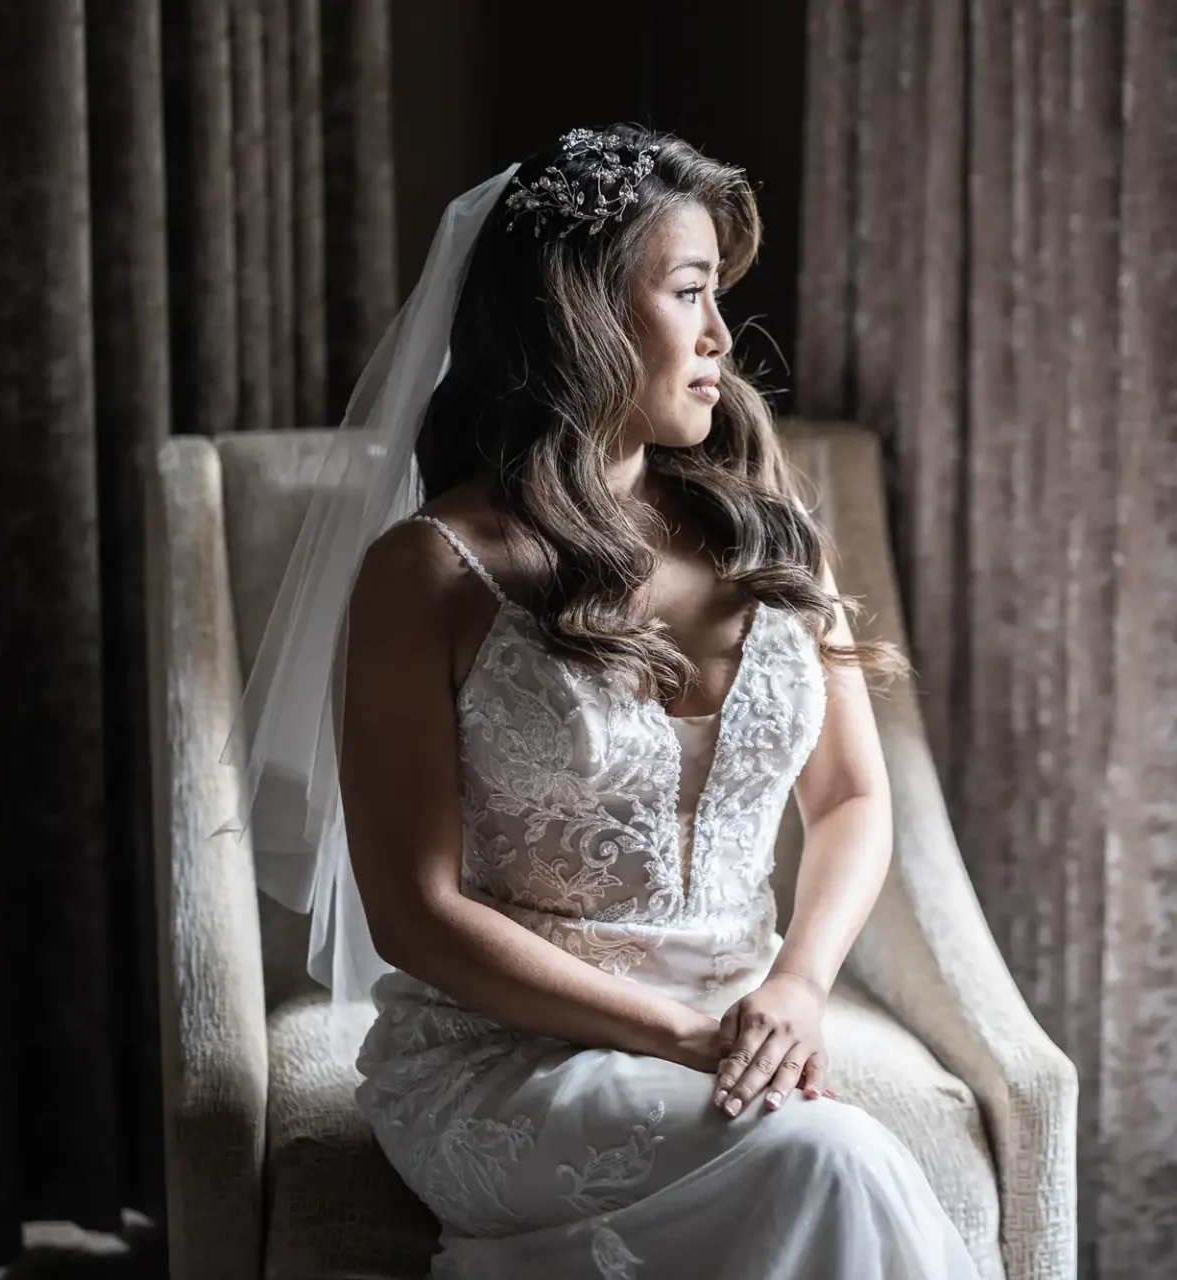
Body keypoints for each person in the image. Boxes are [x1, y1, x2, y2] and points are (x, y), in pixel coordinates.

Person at [234, 124, 980, 1277]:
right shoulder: (431, 570)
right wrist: (684, 1035)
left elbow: (850, 798)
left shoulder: (772, 534)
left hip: (744, 1019)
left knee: (823, 1155)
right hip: (502, 1057)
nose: (724, 336)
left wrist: (794, 984)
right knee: (829, 1159)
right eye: (690, 292)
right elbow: (416, 909)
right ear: (576, 318)